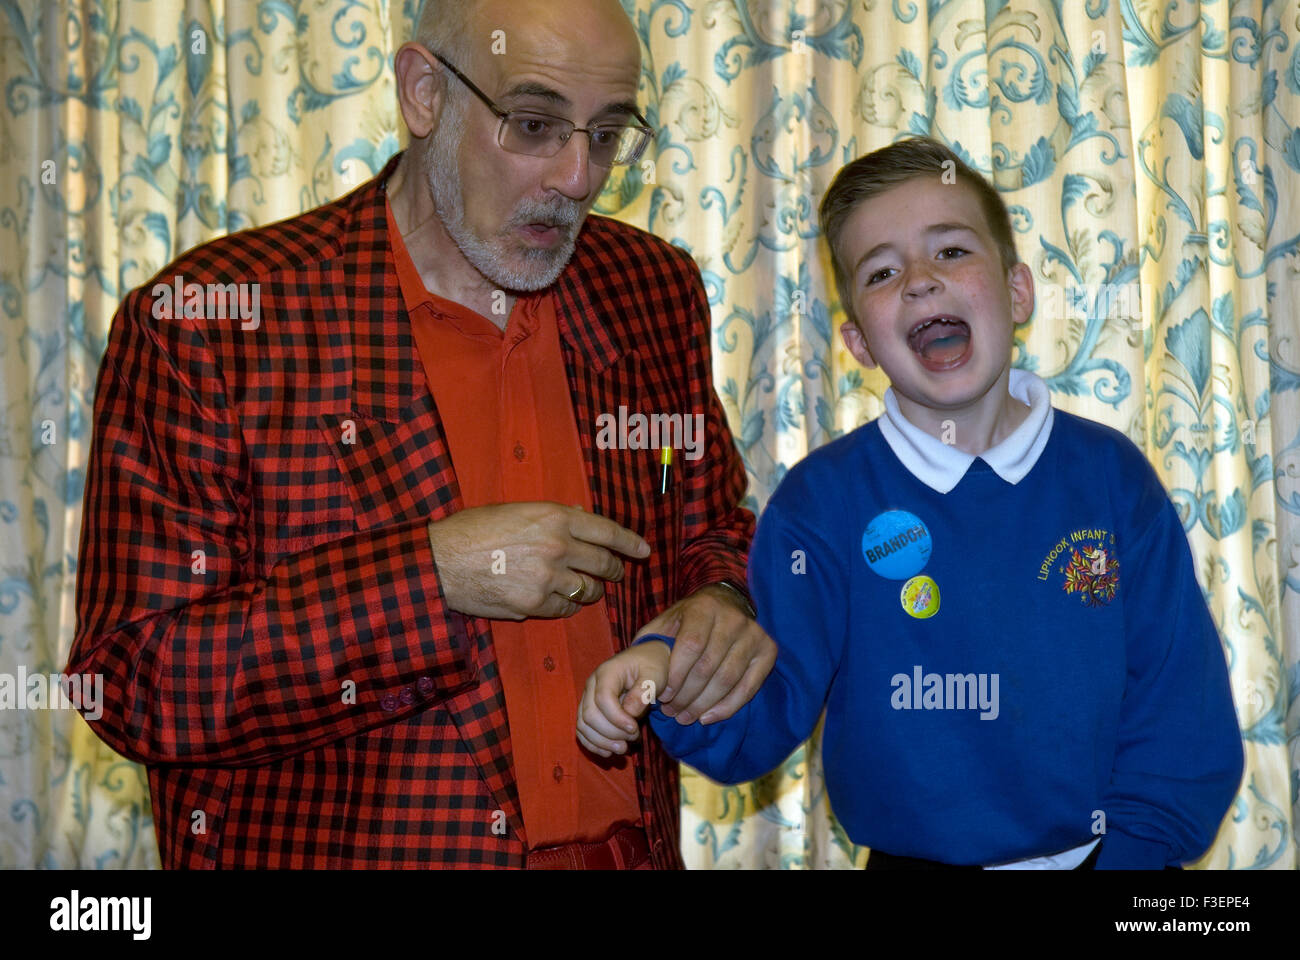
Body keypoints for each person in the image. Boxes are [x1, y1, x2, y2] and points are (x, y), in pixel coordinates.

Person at [66, 0, 776, 869]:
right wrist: (431, 575)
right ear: (423, 92)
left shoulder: (650, 289)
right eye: (535, 123)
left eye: (607, 134)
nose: (579, 175)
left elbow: (713, 530)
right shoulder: (215, 326)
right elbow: (134, 681)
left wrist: (721, 605)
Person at [577, 136, 1245, 869]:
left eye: (952, 251)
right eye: (884, 271)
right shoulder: (820, 503)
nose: (922, 282)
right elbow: (760, 707)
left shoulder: (1111, 478)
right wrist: (670, 668)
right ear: (859, 341)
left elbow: (1183, 720)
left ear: (1018, 291)